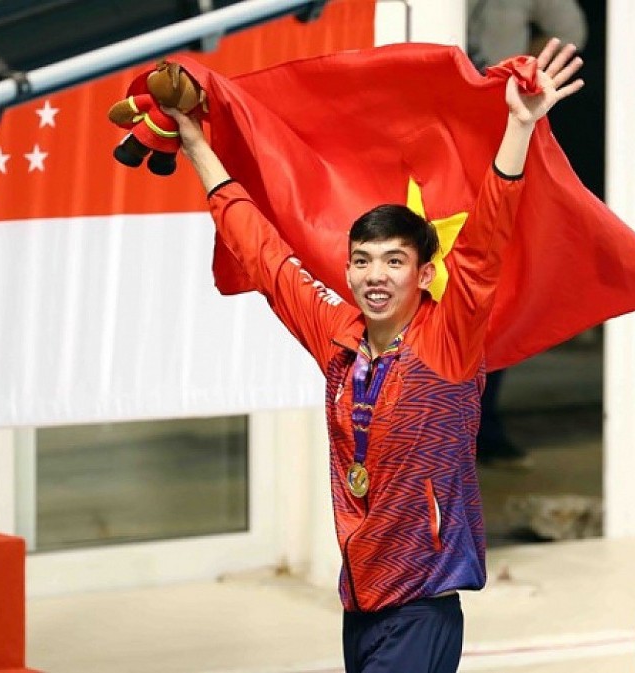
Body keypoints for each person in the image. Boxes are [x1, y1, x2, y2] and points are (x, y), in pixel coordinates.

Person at [166, 39, 584, 673]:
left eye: (394, 260)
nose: (375, 275)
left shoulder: (448, 341)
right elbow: (264, 256)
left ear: (422, 273)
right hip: (359, 600)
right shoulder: (336, 337)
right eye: (362, 260)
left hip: (422, 601)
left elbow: (485, 244)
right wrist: (198, 146)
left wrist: (518, 129)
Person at [468, 0, 588, 470]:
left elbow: (570, 31)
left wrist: (517, 72)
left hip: (501, 124)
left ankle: (484, 426)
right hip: (437, 129)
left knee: (493, 284)